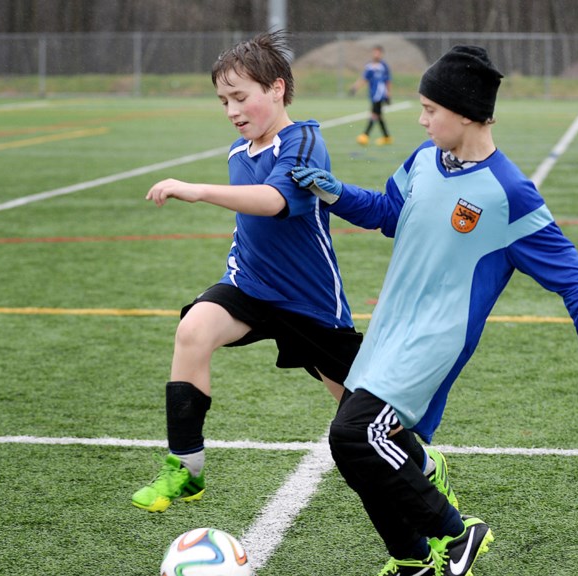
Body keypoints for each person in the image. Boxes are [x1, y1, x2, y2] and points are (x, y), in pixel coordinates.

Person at [291, 45, 578, 576]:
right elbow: (388, 213)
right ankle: (411, 556)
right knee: (351, 446)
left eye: (429, 109)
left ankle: (456, 532)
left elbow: (567, 267)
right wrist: (333, 190)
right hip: (391, 328)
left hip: (436, 339)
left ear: (466, 112)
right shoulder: (425, 159)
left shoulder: (509, 192)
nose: (421, 120)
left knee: (356, 433)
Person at [133, 30, 458, 516]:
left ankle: (424, 468)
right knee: (193, 331)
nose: (231, 111)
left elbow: (275, 202)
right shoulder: (236, 152)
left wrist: (196, 190)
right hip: (248, 286)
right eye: (223, 101)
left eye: (240, 97)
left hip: (310, 305)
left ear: (277, 88)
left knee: (360, 416)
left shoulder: (303, 140)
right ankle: (186, 467)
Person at [349, 45, 393, 146]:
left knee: (374, 114)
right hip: (373, 94)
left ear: (381, 54)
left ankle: (365, 135)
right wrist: (355, 88)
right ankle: (387, 137)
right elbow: (364, 79)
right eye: (374, 52)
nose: (376, 54)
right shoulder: (369, 66)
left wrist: (388, 94)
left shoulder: (384, 66)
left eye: (378, 52)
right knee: (378, 115)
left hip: (380, 94)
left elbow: (388, 81)